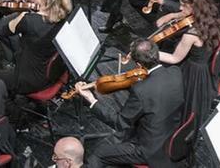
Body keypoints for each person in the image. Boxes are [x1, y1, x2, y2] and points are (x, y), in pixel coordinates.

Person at [74, 38, 184, 168]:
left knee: (100, 153)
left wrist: (91, 100)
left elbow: (119, 122)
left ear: (138, 64)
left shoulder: (141, 91)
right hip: (172, 133)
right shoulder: (175, 71)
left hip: (149, 150)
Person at [151, 0, 220, 140]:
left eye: (184, 5)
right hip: (204, 67)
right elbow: (183, 15)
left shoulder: (191, 35)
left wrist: (150, 53)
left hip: (191, 73)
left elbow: (174, 58)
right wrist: (173, 15)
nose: (180, 8)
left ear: (193, 7)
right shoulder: (211, 16)